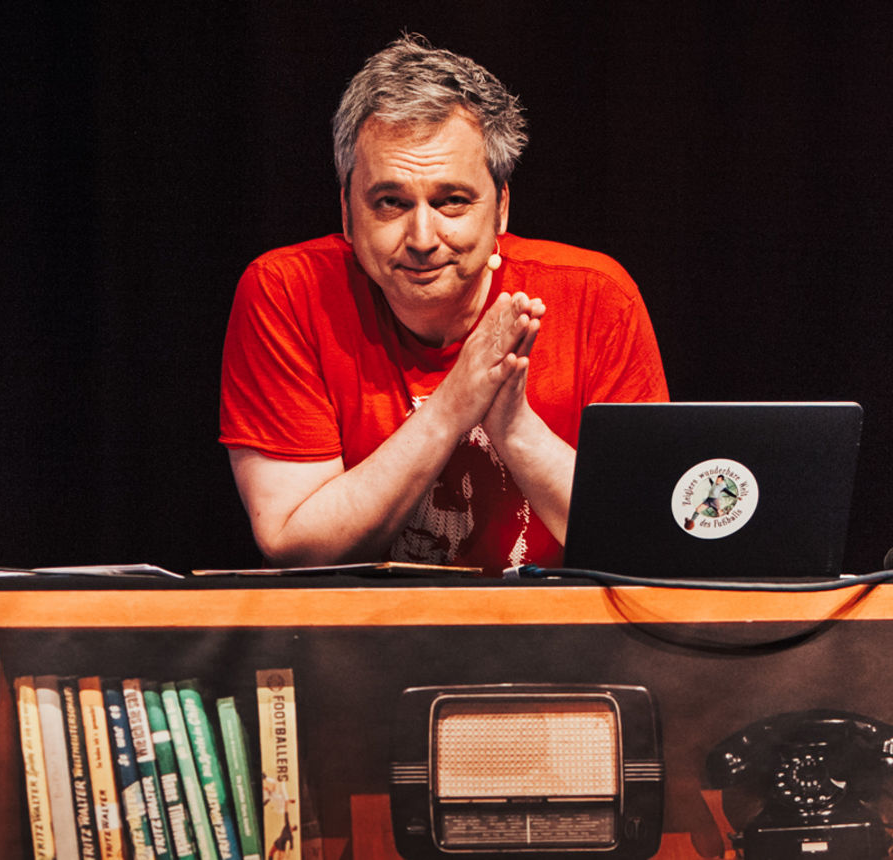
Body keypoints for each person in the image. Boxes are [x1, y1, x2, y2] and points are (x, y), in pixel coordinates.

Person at [220, 34, 668, 574]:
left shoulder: (597, 296)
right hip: (355, 645)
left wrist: (514, 427)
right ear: (345, 211)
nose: (423, 236)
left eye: (452, 200)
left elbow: (644, 541)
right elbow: (295, 542)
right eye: (391, 202)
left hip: (556, 642)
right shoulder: (286, 292)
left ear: (500, 208)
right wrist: (453, 405)